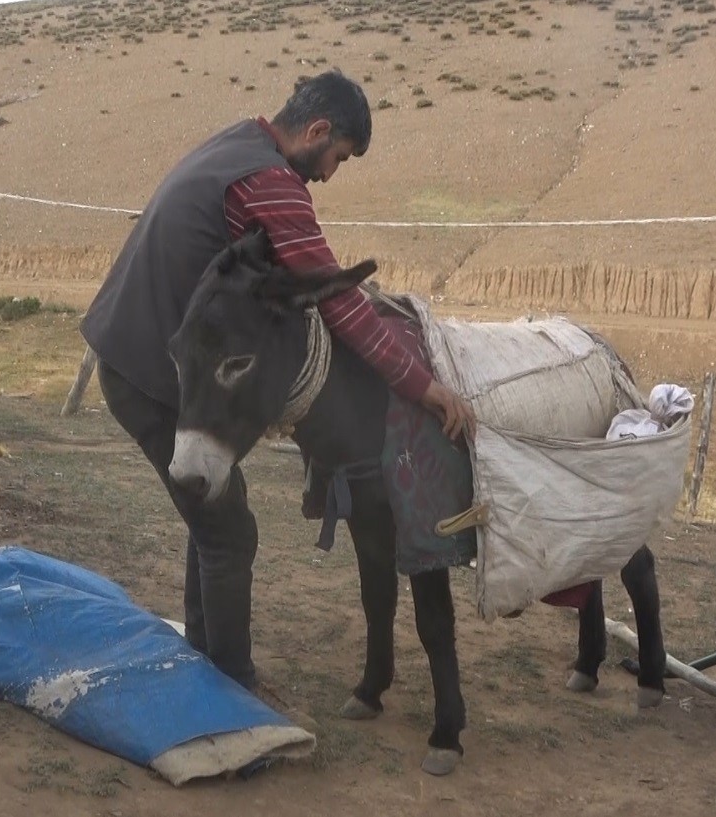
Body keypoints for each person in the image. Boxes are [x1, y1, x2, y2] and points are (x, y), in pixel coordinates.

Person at [80, 70, 476, 689]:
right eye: (338, 156)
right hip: (155, 374)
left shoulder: (236, 144)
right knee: (229, 532)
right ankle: (230, 690)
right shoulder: (272, 181)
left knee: (210, 510)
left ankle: (204, 661)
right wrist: (422, 384)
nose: (330, 173)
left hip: (130, 351)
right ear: (317, 131)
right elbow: (339, 301)